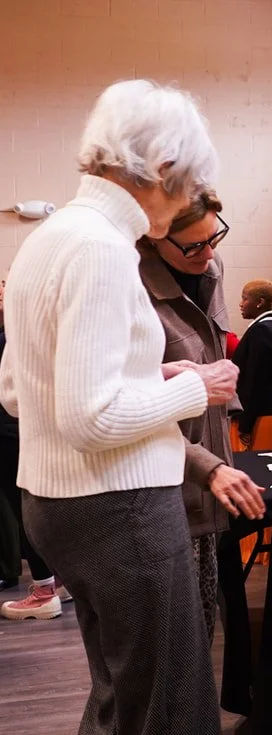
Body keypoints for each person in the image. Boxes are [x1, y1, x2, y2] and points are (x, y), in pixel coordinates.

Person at [0, 79, 236, 733]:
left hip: (61, 507)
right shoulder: (101, 249)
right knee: (171, 704)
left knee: (122, 695)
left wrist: (148, 370)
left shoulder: (49, 239)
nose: (189, 203)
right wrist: (197, 387)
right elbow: (90, 419)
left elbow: (20, 388)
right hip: (119, 505)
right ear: (161, 169)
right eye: (189, 186)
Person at [138, 189, 265, 644]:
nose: (208, 254)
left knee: (200, 639)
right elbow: (124, 408)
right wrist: (206, 466)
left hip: (210, 487)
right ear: (154, 239)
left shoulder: (211, 270)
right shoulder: (131, 290)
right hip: (163, 493)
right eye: (193, 245)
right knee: (169, 650)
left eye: (215, 238)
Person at [0, 276, 72, 620]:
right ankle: (57, 581)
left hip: (13, 430)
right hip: (30, 429)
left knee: (26, 509)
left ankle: (44, 590)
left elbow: (10, 396)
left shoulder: (22, 324)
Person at [232, 278, 272, 447]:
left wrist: (245, 423)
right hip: (267, 412)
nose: (241, 304)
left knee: (261, 469)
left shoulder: (262, 330)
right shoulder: (266, 328)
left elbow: (256, 380)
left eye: (245, 298)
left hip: (265, 414)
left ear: (259, 302)